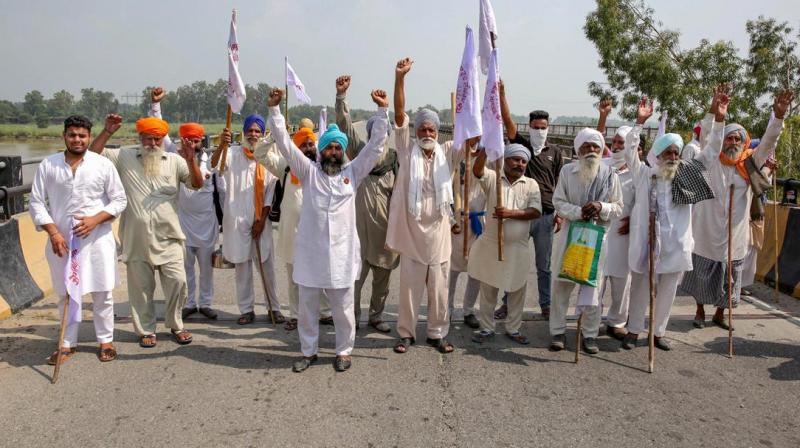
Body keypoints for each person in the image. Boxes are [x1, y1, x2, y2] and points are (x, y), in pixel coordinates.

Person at [266, 87, 391, 372]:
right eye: (328, 147)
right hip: (311, 256)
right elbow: (285, 144)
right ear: (321, 151)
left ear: (343, 150)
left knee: (343, 311)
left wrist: (382, 112)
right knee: (308, 310)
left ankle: (344, 351)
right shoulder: (308, 172)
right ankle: (308, 352)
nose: (333, 152)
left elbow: (375, 148)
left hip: (342, 257)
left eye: (337, 147)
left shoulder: (353, 172)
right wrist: (275, 111)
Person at [681, 85, 792, 329]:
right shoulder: (710, 161)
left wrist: (779, 117)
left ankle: (721, 313)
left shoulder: (750, 164)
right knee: (702, 274)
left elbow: (770, 141)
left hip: (735, 234)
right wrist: (717, 113)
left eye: (737, 139)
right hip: (707, 231)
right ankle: (699, 310)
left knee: (730, 278)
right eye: (729, 138)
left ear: (744, 143)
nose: (733, 142)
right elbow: (708, 135)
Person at [89, 113, 203, 348]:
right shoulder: (124, 156)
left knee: (178, 282)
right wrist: (107, 131)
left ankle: (176, 324)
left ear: (163, 139)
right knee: (141, 289)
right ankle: (146, 330)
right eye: (148, 139)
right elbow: (93, 154)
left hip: (169, 236)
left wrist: (191, 160)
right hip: (136, 237)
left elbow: (197, 184)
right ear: (140, 137)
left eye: (157, 139)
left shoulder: (175, 161)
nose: (152, 144)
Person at [30, 115, 127, 364]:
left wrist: (95, 219)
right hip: (61, 242)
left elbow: (119, 200)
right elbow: (37, 202)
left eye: (82, 135)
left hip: (96, 240)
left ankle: (106, 340)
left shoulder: (102, 164)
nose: (77, 139)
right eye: (72, 135)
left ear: (89, 137)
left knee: (102, 292)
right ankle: (66, 343)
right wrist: (53, 232)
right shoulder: (48, 164)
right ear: (64, 136)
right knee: (66, 294)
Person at [622, 97, 716, 351]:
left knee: (668, 291)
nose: (673, 157)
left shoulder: (686, 174)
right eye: (669, 153)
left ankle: (658, 333)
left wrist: (717, 119)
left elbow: (711, 154)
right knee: (641, 287)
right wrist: (640, 122)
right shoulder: (644, 175)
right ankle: (632, 331)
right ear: (659, 155)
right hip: (647, 243)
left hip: (675, 245)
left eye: (676, 152)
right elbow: (630, 151)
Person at [387, 57, 462, 355]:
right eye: (423, 130)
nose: (427, 134)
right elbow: (401, 114)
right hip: (413, 233)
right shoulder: (407, 152)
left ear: (438, 132)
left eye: (432, 129)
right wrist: (400, 78)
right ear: (416, 132)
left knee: (440, 289)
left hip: (440, 233)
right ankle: (405, 333)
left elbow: (467, 137)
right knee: (409, 288)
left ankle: (437, 333)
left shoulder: (447, 152)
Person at [147, 88, 219, 320]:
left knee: (206, 269)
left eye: (196, 141)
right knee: (185, 267)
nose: (192, 144)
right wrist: (156, 105)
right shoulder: (173, 155)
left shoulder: (211, 160)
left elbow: (223, 193)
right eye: (188, 140)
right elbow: (159, 130)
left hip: (207, 225)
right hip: (183, 223)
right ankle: (189, 303)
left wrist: (224, 220)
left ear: (201, 142)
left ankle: (206, 303)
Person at [549, 128, 623, 354]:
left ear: (601, 150)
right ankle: (557, 331)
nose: (591, 150)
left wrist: (601, 207)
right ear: (578, 150)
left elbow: (619, 207)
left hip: (596, 238)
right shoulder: (567, 172)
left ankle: (589, 334)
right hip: (571, 235)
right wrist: (579, 212)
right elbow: (558, 202)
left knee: (592, 286)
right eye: (586, 146)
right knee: (562, 286)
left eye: (595, 147)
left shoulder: (611, 175)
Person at [335, 75, 399, 333]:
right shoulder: (361, 153)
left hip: (385, 233)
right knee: (355, 281)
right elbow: (344, 125)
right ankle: (353, 318)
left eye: (382, 133)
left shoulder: (396, 160)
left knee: (382, 282)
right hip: (358, 234)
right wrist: (341, 97)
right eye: (373, 133)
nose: (377, 138)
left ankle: (376, 316)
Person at [257, 125, 334, 330]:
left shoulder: (322, 167)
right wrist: (273, 136)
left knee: (320, 273)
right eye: (303, 145)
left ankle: (325, 312)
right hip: (292, 232)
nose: (308, 148)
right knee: (294, 276)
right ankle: (296, 315)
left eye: (311, 144)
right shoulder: (286, 165)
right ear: (295, 148)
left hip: (317, 232)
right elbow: (260, 154)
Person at [498, 80, 563, 320]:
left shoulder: (555, 152)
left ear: (548, 128)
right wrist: (503, 95)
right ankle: (506, 303)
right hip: (521, 214)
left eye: (543, 127)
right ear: (530, 127)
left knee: (543, 266)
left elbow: (558, 186)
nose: (539, 131)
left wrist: (560, 214)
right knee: (514, 261)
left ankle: (546, 305)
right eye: (535, 127)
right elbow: (507, 122)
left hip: (546, 217)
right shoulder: (522, 147)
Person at [214, 114, 285, 325]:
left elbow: (271, 192)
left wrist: (261, 221)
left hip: (260, 220)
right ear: (243, 133)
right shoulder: (233, 153)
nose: (253, 135)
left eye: (257, 131)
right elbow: (215, 165)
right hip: (236, 220)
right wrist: (221, 145)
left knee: (267, 266)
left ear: (263, 135)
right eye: (250, 131)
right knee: (242, 268)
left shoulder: (268, 156)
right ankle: (246, 309)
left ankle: (275, 308)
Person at [469, 144, 542, 345]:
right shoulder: (493, 178)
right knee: (489, 287)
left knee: (517, 289)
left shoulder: (531, 184)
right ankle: (486, 328)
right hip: (492, 244)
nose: (520, 164)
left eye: (523, 161)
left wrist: (509, 214)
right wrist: (485, 148)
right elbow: (477, 171)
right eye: (515, 159)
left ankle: (513, 328)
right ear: (505, 160)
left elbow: (536, 211)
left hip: (518, 247)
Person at [597, 100, 635, 340]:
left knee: (622, 280)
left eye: (622, 143)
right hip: (601, 231)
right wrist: (603, 117)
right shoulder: (604, 165)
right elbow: (596, 143)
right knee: (597, 278)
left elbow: (644, 202)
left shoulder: (639, 170)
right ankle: (590, 319)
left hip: (624, 234)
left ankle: (617, 321)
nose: (618, 146)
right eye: (616, 142)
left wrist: (634, 221)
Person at [448, 139, 484, 329]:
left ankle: (469, 310)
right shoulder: (454, 154)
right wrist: (452, 218)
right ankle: (446, 310)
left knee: (476, 272)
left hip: (478, 225)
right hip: (456, 223)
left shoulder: (489, 159)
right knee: (451, 271)